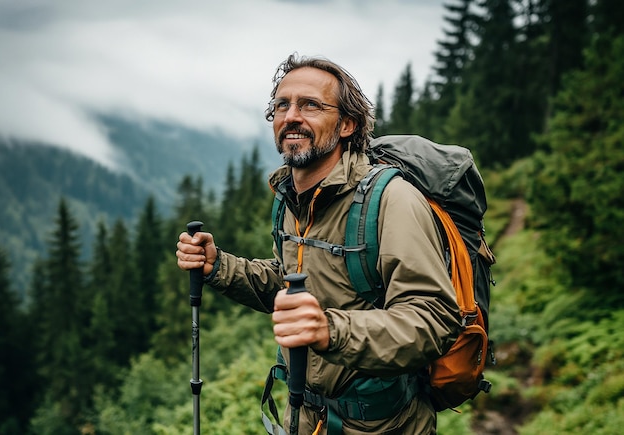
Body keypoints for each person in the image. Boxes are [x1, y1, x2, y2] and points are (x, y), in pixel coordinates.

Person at [176, 53, 462, 434]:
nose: (291, 115)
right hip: (307, 416)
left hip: (383, 423)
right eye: (282, 104)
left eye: (310, 104)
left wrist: (330, 330)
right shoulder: (291, 198)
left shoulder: (392, 201)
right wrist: (218, 266)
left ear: (347, 124)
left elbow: (434, 318)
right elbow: (289, 282)